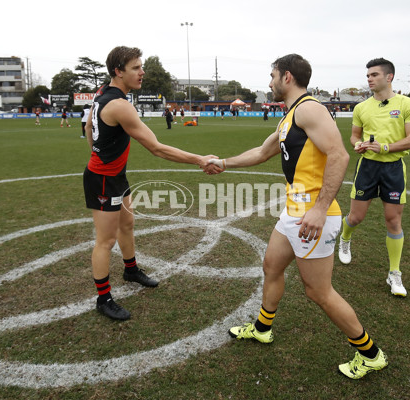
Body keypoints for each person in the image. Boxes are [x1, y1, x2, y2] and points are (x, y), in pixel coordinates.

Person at [208, 53, 388, 380]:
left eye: (272, 76)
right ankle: (263, 328)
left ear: (287, 77)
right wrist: (223, 162)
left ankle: (370, 353)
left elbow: (339, 154)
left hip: (314, 214)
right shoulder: (290, 116)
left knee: (318, 291)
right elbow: (262, 152)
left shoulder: (309, 108)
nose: (269, 82)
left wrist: (319, 209)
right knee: (272, 266)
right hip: (294, 212)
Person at [83, 46, 220, 321]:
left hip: (115, 175)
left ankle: (131, 270)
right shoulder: (120, 105)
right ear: (118, 72)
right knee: (105, 240)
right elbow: (157, 148)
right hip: (102, 180)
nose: (142, 72)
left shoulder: (103, 94)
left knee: (128, 224)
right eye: (136, 68)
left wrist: (96, 152)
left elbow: (88, 127)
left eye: (141, 66)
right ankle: (103, 298)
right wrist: (199, 159)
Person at [338, 58, 410, 298]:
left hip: (393, 168)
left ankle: (394, 272)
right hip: (367, 168)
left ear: (389, 77)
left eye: (374, 75)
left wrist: (384, 148)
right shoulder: (361, 108)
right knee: (355, 217)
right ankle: (345, 238)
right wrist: (358, 145)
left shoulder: (407, 104)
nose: (369, 79)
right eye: (368, 75)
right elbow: (354, 137)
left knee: (393, 221)